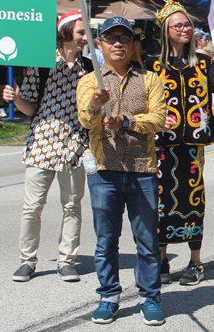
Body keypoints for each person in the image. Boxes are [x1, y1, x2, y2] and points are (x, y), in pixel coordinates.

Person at [77, 16, 167, 326]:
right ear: (99, 44)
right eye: (111, 38)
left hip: (142, 169)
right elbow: (86, 121)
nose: (118, 43)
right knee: (105, 239)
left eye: (124, 38)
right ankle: (108, 296)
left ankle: (150, 297)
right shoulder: (90, 81)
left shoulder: (150, 79)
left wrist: (126, 122)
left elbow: (158, 120)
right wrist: (93, 105)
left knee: (147, 241)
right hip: (104, 170)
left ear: (133, 45)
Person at [146, 0, 214, 287]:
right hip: (161, 145)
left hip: (193, 145)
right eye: (179, 25)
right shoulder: (152, 64)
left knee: (192, 198)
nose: (186, 29)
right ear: (165, 30)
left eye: (188, 24)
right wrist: (157, 119)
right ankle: (161, 259)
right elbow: (143, 102)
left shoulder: (203, 62)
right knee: (160, 202)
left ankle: (195, 262)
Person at [4, 11, 90, 283]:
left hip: (75, 144)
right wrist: (16, 98)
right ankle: (27, 261)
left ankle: (67, 260)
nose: (86, 38)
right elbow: (30, 107)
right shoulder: (40, 63)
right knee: (32, 206)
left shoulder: (89, 67)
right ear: (65, 32)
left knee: (72, 206)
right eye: (81, 32)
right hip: (42, 143)